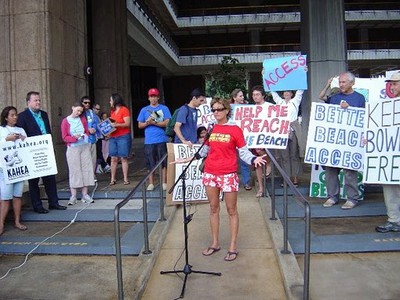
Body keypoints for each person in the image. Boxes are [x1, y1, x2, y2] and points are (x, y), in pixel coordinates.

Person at [171, 98, 267, 262]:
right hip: (210, 173)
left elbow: (243, 152)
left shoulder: (235, 130)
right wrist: (187, 159)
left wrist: (253, 160)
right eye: (213, 110)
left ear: (227, 110)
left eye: (219, 109)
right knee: (213, 209)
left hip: (228, 174)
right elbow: (205, 150)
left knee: (232, 210)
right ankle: (215, 243)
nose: (216, 112)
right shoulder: (211, 128)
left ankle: (232, 246)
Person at [16, 91, 67, 213]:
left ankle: (53, 203)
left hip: (46, 151)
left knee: (50, 177)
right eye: (35, 100)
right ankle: (37, 206)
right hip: (32, 153)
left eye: (39, 100)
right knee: (34, 181)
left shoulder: (44, 114)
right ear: (29, 102)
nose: (38, 102)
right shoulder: (22, 117)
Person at [321, 72, 365, 209]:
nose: (341, 85)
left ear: (352, 83)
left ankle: (352, 198)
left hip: (351, 141)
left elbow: (362, 117)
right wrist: (328, 84)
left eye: (344, 82)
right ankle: (332, 196)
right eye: (339, 82)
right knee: (330, 169)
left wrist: (349, 109)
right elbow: (321, 97)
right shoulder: (334, 97)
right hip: (335, 141)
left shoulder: (360, 98)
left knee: (350, 171)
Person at [375, 71, 400, 232]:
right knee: (390, 186)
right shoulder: (388, 106)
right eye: (391, 83)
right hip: (391, 154)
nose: (392, 86)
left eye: (395, 83)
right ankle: (394, 220)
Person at [0, 106, 28, 235]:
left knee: (17, 196)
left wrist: (23, 139)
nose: (15, 117)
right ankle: (1, 223)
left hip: (19, 168)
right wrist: (7, 139)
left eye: (16, 115)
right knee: (5, 198)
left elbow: (27, 145)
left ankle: (17, 221)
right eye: (12, 115)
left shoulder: (20, 129)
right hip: (5, 169)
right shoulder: (1, 130)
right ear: (6, 117)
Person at [137, 88, 171, 191]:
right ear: (148, 98)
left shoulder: (164, 108)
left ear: (158, 97)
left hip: (161, 139)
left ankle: (164, 182)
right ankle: (150, 183)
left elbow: (167, 123)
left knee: (163, 162)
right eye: (151, 96)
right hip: (149, 140)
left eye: (155, 96)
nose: (153, 98)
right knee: (150, 162)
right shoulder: (144, 110)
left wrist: (154, 122)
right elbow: (140, 125)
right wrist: (147, 122)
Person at [61, 102, 95, 205]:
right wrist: (73, 138)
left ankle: (85, 194)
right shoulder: (66, 121)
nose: (79, 113)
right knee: (74, 170)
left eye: (81, 111)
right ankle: (73, 195)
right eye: (77, 110)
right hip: (73, 147)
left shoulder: (82, 119)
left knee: (86, 168)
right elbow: (64, 137)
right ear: (73, 108)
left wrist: (88, 132)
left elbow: (86, 131)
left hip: (84, 145)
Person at [270, 89, 304, 187]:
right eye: (285, 92)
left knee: (294, 154)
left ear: (291, 94)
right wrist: (264, 75)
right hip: (282, 129)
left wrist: (303, 74)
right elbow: (273, 93)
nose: (286, 93)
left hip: (293, 129)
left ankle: (295, 177)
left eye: (288, 92)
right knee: (284, 156)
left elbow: (300, 91)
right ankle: (286, 178)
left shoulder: (295, 101)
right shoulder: (279, 102)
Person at [250, 85, 272, 197]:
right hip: (256, 137)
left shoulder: (270, 106)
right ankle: (261, 188)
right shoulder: (251, 109)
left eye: (257, 94)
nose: (255, 97)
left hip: (268, 137)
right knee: (257, 162)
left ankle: (268, 163)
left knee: (262, 154)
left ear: (263, 95)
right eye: (253, 95)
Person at [231, 88, 252, 190]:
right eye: (240, 96)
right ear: (234, 98)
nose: (242, 97)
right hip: (232, 137)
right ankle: (232, 181)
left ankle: (246, 182)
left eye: (243, 96)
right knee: (232, 160)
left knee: (244, 160)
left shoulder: (247, 107)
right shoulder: (229, 108)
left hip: (244, 138)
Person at [109, 93, 131, 185]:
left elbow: (127, 123)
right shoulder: (112, 111)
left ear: (115, 100)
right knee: (113, 158)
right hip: (113, 136)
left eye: (110, 100)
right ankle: (112, 178)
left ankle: (125, 178)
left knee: (123, 158)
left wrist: (117, 124)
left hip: (123, 135)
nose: (109, 102)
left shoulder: (124, 109)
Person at [81, 96, 100, 176]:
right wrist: (87, 129)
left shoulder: (91, 112)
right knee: (85, 160)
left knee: (93, 159)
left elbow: (96, 122)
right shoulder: (80, 112)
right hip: (84, 140)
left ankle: (92, 176)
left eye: (89, 103)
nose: (87, 104)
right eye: (85, 102)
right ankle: (85, 176)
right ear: (82, 103)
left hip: (92, 139)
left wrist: (94, 129)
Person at [93, 103, 111, 173]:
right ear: (93, 108)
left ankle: (100, 166)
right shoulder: (93, 116)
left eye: (99, 109)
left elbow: (101, 128)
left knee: (100, 152)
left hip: (100, 136)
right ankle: (103, 165)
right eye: (97, 109)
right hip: (96, 137)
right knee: (99, 152)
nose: (98, 110)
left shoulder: (97, 117)